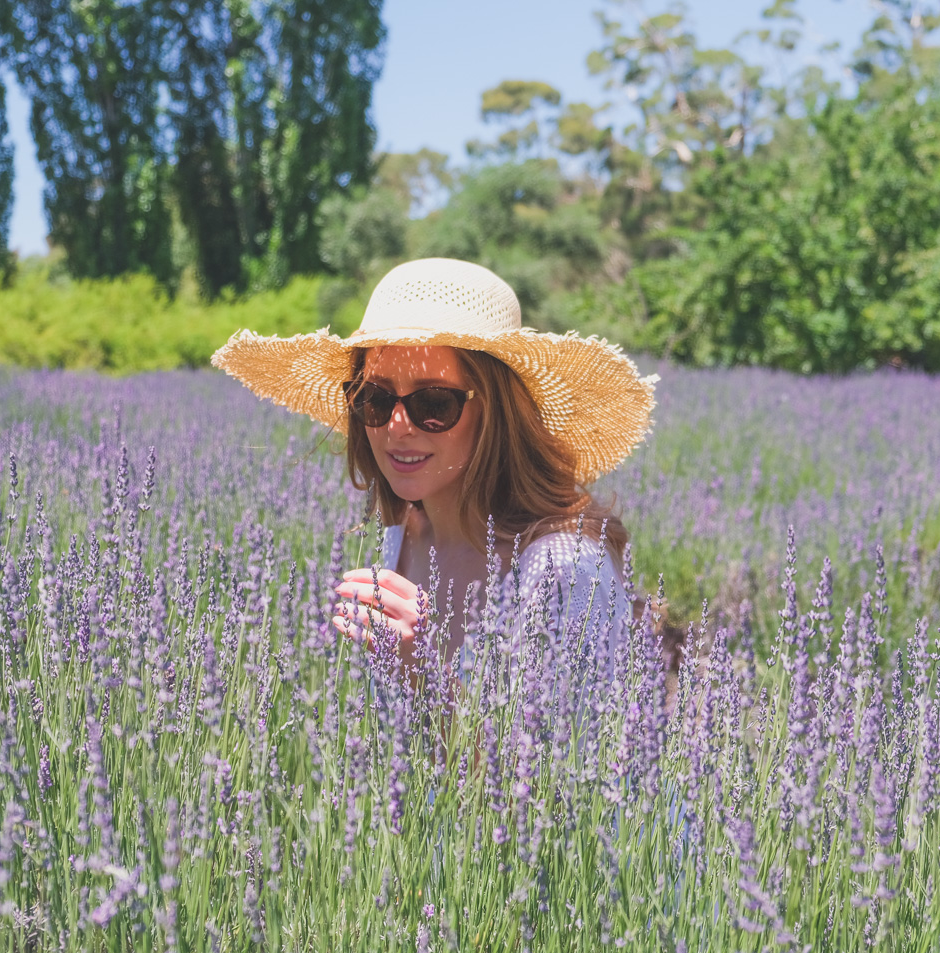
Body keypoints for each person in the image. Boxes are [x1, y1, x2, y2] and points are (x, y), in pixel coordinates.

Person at [211, 257, 658, 688]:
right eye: (375, 399)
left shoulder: (562, 569)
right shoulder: (401, 539)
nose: (396, 427)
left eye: (434, 403)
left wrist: (427, 675)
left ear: (496, 413)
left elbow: (564, 763)